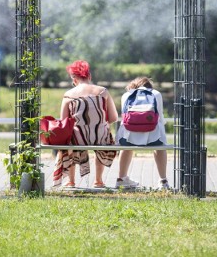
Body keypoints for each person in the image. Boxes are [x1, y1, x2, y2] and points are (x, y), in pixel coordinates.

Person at [53, 60, 118, 188]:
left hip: (78, 138)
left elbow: (64, 122)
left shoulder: (68, 95)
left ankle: (71, 181)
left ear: (73, 78)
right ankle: (98, 181)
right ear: (89, 76)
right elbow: (114, 117)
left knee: (69, 141)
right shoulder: (103, 92)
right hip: (100, 136)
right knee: (104, 132)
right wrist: (98, 124)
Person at [115, 76, 169, 190]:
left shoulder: (126, 95)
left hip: (128, 137)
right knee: (160, 146)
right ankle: (163, 181)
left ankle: (121, 178)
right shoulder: (156, 94)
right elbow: (160, 117)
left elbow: (124, 117)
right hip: (153, 138)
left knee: (126, 147)